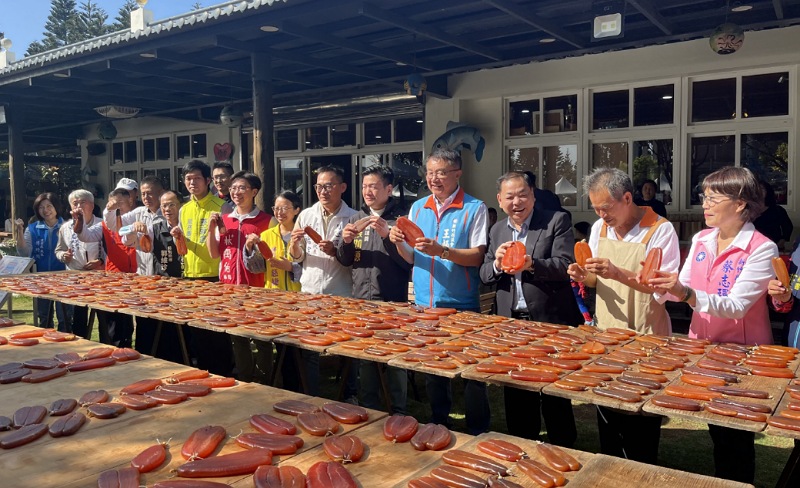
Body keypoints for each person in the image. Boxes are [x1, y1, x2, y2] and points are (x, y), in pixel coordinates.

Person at [650, 166, 776, 484]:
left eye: (713, 198)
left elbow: (736, 305)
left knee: (737, 434)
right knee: (716, 429)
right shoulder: (703, 239)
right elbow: (685, 286)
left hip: (743, 357)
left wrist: (685, 293)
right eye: (703, 197)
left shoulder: (761, 248)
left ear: (740, 203)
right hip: (703, 350)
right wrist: (658, 284)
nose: (704, 204)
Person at [567, 167, 680, 465]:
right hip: (607, 332)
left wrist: (618, 272)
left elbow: (663, 289)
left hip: (647, 333)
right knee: (608, 409)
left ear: (628, 198)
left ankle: (641, 471)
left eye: (606, 208)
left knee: (641, 413)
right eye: (596, 209)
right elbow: (594, 280)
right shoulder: (598, 229)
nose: (602, 216)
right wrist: (583, 275)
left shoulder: (660, 229)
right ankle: (610, 467)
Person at [389, 148, 489, 435]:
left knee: (472, 371)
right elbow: (411, 257)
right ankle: (438, 423)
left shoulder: (474, 208)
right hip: (425, 304)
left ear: (458, 173)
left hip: (462, 303)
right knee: (434, 370)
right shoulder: (418, 208)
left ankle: (478, 429)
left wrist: (442, 251)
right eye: (430, 172)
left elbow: (478, 256)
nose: (434, 178)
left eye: (441, 172)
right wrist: (398, 242)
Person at [480, 171, 582, 445]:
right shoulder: (497, 229)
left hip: (549, 321)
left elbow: (565, 266)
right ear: (500, 200)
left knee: (553, 392)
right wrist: (499, 265)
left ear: (533, 196)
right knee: (516, 390)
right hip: (511, 324)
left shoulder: (555, 221)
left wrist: (531, 263)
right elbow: (485, 273)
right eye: (510, 197)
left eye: (523, 194)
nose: (517, 201)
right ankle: (522, 445)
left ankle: (563, 448)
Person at [336, 165, 411, 413]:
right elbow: (346, 260)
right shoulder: (356, 219)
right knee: (365, 357)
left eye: (374, 186)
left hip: (392, 301)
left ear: (388, 189)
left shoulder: (400, 220)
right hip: (361, 301)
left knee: (395, 359)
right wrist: (346, 241)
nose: (368, 191)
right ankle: (370, 408)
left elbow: (407, 262)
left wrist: (388, 236)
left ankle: (398, 409)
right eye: (365, 186)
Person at [289, 165, 358, 397]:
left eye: (329, 186)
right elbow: (299, 258)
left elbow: (356, 259)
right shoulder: (306, 215)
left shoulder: (355, 218)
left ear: (342, 187)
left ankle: (349, 393)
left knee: (347, 346)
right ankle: (310, 393)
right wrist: (294, 246)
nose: (323, 191)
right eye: (319, 186)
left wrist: (335, 251)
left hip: (342, 291)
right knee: (309, 346)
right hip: (310, 290)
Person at [207, 171, 274, 382]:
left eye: (242, 188)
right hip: (229, 288)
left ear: (254, 192)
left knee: (262, 338)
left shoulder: (266, 221)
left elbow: (271, 256)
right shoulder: (224, 220)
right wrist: (210, 230)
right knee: (238, 337)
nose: (236, 192)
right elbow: (214, 253)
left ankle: (265, 380)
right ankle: (245, 378)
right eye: (234, 188)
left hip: (257, 289)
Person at [179, 159, 234, 375]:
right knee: (196, 329)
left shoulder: (223, 206)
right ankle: (201, 371)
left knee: (218, 330)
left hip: (215, 275)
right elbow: (183, 246)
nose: (192, 183)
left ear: (208, 181)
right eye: (188, 179)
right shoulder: (184, 209)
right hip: (190, 276)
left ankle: (224, 373)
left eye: (197, 178)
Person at [123, 190, 186, 362]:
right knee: (162, 328)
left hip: (187, 287)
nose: (167, 209)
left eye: (172, 204)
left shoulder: (188, 224)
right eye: (164, 205)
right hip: (163, 285)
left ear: (181, 205)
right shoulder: (155, 226)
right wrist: (135, 229)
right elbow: (125, 237)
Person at [54, 190, 104, 338]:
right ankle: (80, 344)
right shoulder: (65, 227)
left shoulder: (102, 224)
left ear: (92, 205)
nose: (79, 206)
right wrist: (64, 256)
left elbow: (112, 250)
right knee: (78, 315)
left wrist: (101, 261)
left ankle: (106, 344)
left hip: (100, 276)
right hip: (75, 276)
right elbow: (59, 249)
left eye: (83, 202)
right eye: (75, 203)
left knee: (103, 315)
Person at [16, 193, 67, 330]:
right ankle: (46, 348)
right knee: (44, 317)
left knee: (65, 317)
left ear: (56, 207)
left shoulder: (68, 227)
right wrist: (20, 231)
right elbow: (24, 252)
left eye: (49, 206)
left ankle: (66, 346)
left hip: (65, 278)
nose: (45, 210)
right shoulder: (32, 228)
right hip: (41, 278)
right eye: (41, 207)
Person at [754, 180, 792, 250]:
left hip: (774, 245)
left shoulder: (778, 210)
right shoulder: (749, 210)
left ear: (767, 191)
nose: (759, 192)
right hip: (754, 246)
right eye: (757, 189)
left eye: (762, 189)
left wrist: (783, 240)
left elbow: (788, 226)